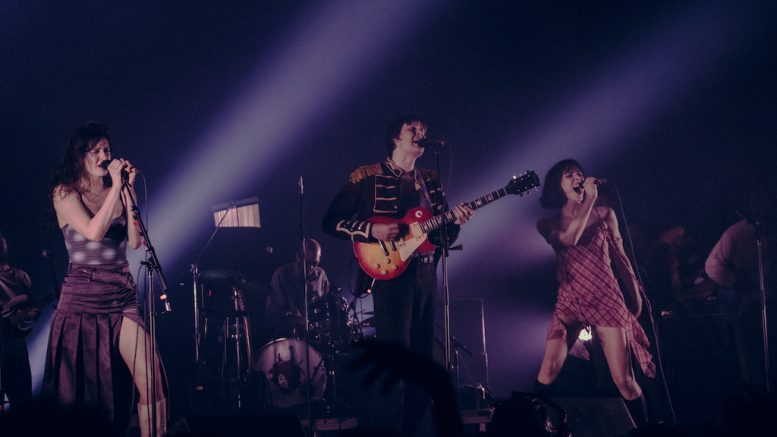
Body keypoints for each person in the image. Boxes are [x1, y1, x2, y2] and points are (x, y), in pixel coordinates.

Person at [322, 114, 473, 434]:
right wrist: (370, 229)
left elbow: (441, 238)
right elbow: (331, 221)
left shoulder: (430, 179)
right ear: (396, 138)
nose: (421, 133)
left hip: (426, 274)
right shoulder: (366, 175)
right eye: (414, 129)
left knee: (424, 363)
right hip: (390, 278)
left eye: (424, 129)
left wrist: (455, 222)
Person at [43, 121, 167, 436]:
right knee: (84, 394)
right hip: (83, 296)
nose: (103, 155)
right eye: (95, 150)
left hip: (121, 293)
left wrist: (128, 189)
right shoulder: (64, 192)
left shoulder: (117, 189)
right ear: (80, 155)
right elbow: (94, 233)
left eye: (107, 150)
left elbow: (136, 241)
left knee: (150, 378)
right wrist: (115, 187)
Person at [534, 159, 655, 427]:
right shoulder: (547, 224)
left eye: (580, 172)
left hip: (605, 296)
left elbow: (620, 257)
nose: (578, 177)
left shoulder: (605, 213)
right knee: (549, 369)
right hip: (571, 299)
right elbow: (569, 239)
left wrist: (634, 295)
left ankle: (645, 430)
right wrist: (589, 199)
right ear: (558, 185)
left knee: (623, 380)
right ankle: (534, 427)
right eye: (569, 175)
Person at [705, 188, 776, 393]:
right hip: (747, 306)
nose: (761, 208)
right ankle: (755, 399)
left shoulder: (772, 232)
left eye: (765, 203)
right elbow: (712, 265)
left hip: (771, 301)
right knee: (751, 357)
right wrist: (735, 281)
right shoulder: (736, 233)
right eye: (756, 204)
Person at [0, 231, 39, 409]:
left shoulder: (20, 275)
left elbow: (32, 307)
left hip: (14, 347)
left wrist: (28, 316)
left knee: (22, 403)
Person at [266, 238, 330, 338]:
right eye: (307, 263)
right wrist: (297, 320)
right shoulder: (281, 275)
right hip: (288, 337)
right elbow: (272, 312)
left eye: (315, 263)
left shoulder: (321, 275)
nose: (311, 267)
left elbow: (327, 308)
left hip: (315, 338)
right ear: (298, 257)